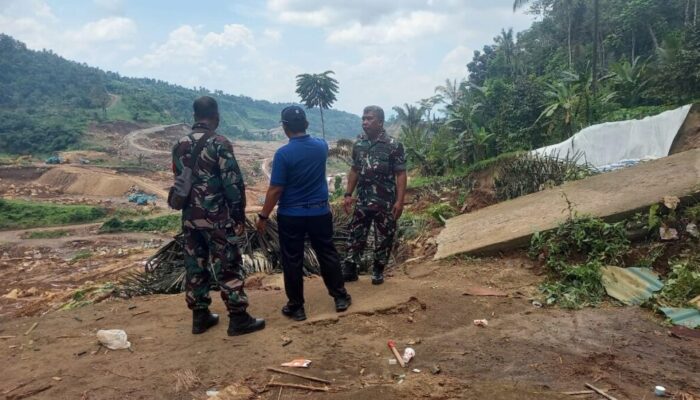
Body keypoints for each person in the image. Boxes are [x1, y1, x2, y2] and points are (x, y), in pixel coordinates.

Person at [172, 96, 265, 336]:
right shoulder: (219, 143)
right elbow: (233, 183)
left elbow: (179, 180)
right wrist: (238, 216)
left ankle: (200, 317)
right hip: (217, 218)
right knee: (227, 264)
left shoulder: (179, 144)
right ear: (216, 117)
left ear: (194, 116)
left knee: (195, 265)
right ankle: (238, 317)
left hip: (190, 217)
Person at [256, 105, 351, 321]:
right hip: (320, 212)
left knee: (293, 260)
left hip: (292, 215)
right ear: (306, 124)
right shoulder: (321, 146)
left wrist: (263, 216)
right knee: (327, 253)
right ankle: (340, 297)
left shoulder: (283, 154)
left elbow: (276, 189)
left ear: (285, 128)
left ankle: (296, 307)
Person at [342, 105, 407, 285]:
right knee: (356, 233)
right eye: (363, 118)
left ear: (380, 122)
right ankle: (350, 268)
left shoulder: (393, 145)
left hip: (385, 201)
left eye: (369, 118)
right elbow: (354, 170)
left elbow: (401, 174)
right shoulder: (359, 145)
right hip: (362, 200)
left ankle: (378, 270)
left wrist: (400, 202)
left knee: (385, 235)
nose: (365, 122)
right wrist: (348, 194)